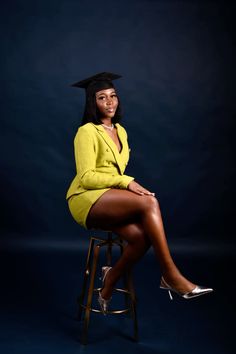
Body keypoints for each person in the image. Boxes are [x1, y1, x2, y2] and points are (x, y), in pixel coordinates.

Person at [66, 72, 213, 314]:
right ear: (93, 103)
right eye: (102, 98)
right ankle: (170, 275)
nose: (110, 102)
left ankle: (110, 278)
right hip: (86, 199)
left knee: (142, 238)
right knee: (149, 203)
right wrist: (126, 182)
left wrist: (122, 184)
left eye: (113, 96)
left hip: (109, 196)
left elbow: (113, 171)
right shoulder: (87, 132)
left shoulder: (121, 131)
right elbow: (86, 177)